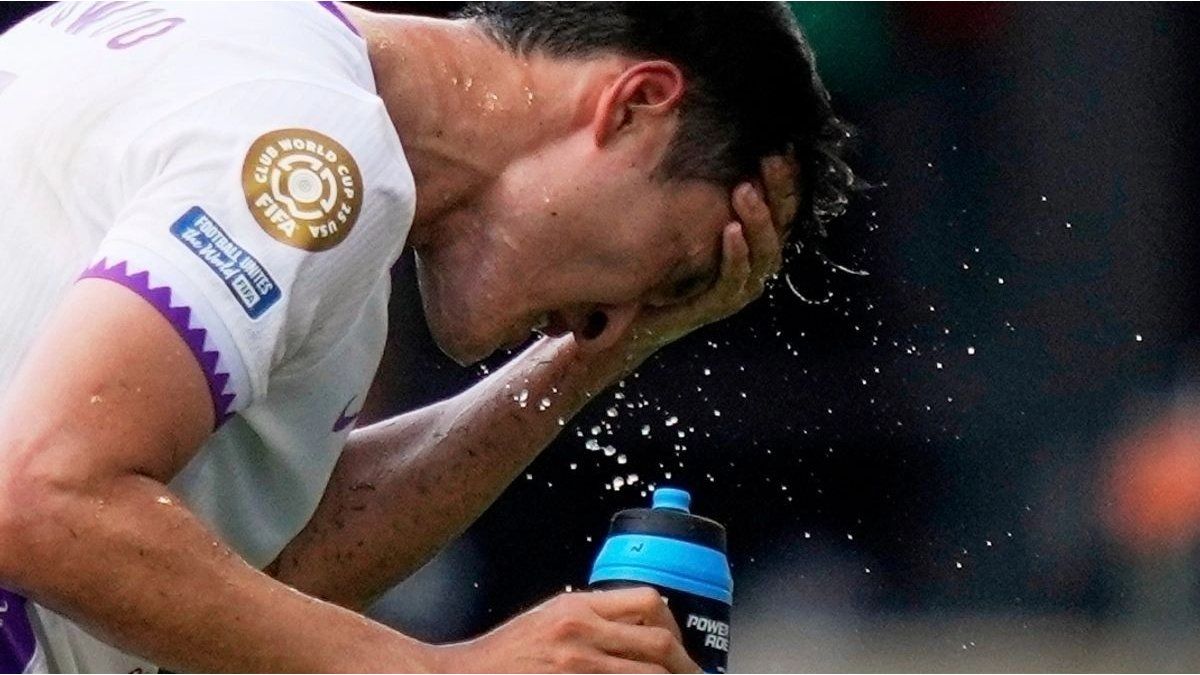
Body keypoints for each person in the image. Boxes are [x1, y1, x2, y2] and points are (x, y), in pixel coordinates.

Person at [0, 1, 851, 672]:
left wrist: (597, 356)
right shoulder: (323, 152)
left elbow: (223, 575)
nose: (614, 314)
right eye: (672, 270)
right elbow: (42, 499)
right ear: (634, 106)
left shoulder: (244, 43)